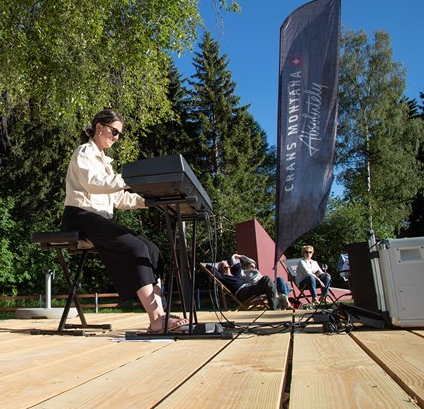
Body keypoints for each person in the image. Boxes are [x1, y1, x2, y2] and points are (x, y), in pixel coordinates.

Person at [61, 109, 188, 333]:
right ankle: (157, 320)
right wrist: (131, 179)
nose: (117, 137)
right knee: (135, 248)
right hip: (79, 217)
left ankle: (161, 312)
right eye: (114, 131)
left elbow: (117, 197)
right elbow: (94, 183)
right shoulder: (83, 153)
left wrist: (151, 200)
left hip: (96, 219)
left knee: (151, 248)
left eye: (119, 134)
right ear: (99, 126)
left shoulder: (105, 162)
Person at [206, 254, 280, 310]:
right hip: (242, 292)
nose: (227, 269)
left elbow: (238, 265)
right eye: (225, 267)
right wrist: (219, 265)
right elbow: (209, 267)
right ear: (220, 270)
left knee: (266, 279)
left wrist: (236, 256)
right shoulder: (223, 277)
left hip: (248, 287)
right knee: (268, 287)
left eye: (228, 267)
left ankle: (274, 305)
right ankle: (275, 305)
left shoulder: (236, 275)